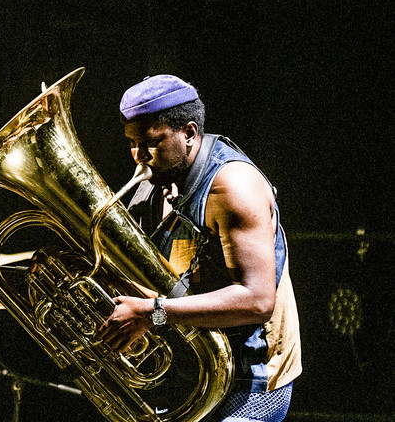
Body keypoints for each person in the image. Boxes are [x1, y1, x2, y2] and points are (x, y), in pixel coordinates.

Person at [95, 75, 301, 422]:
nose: (138, 157)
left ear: (189, 133)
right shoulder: (153, 184)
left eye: (150, 143)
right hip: (193, 369)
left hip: (248, 382)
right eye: (131, 143)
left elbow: (257, 301)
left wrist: (151, 313)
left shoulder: (233, 187)